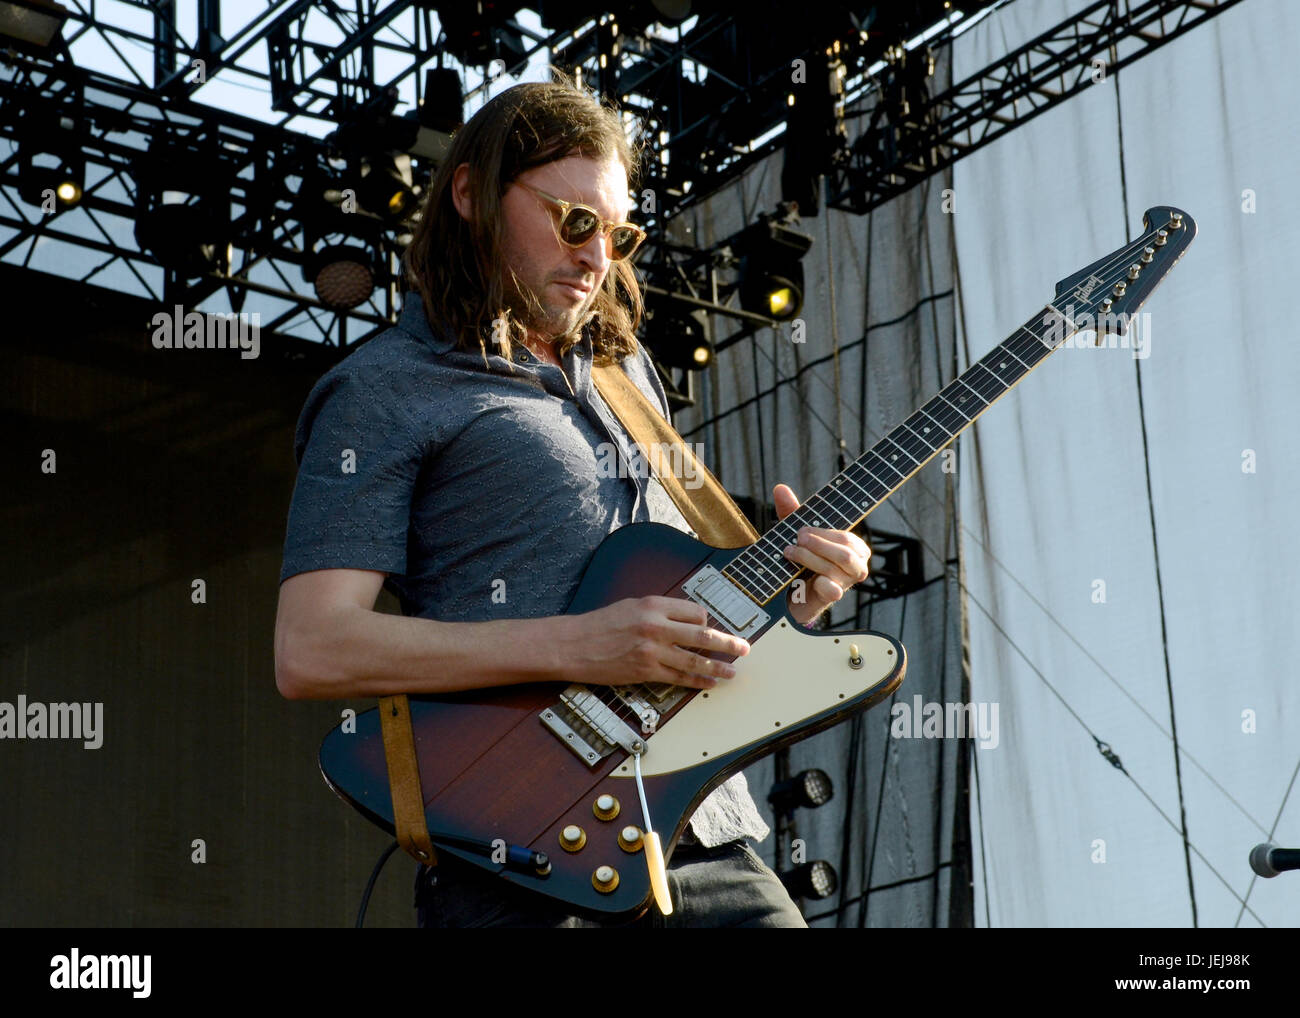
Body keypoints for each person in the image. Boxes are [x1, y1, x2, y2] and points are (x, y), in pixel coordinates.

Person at [274, 74, 871, 928]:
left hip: (706, 838)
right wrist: (581, 645)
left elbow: (670, 615)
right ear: (472, 194)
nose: (599, 258)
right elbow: (312, 649)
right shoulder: (382, 389)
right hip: (516, 853)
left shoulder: (630, 379)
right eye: (575, 222)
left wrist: (799, 597)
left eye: (619, 235)